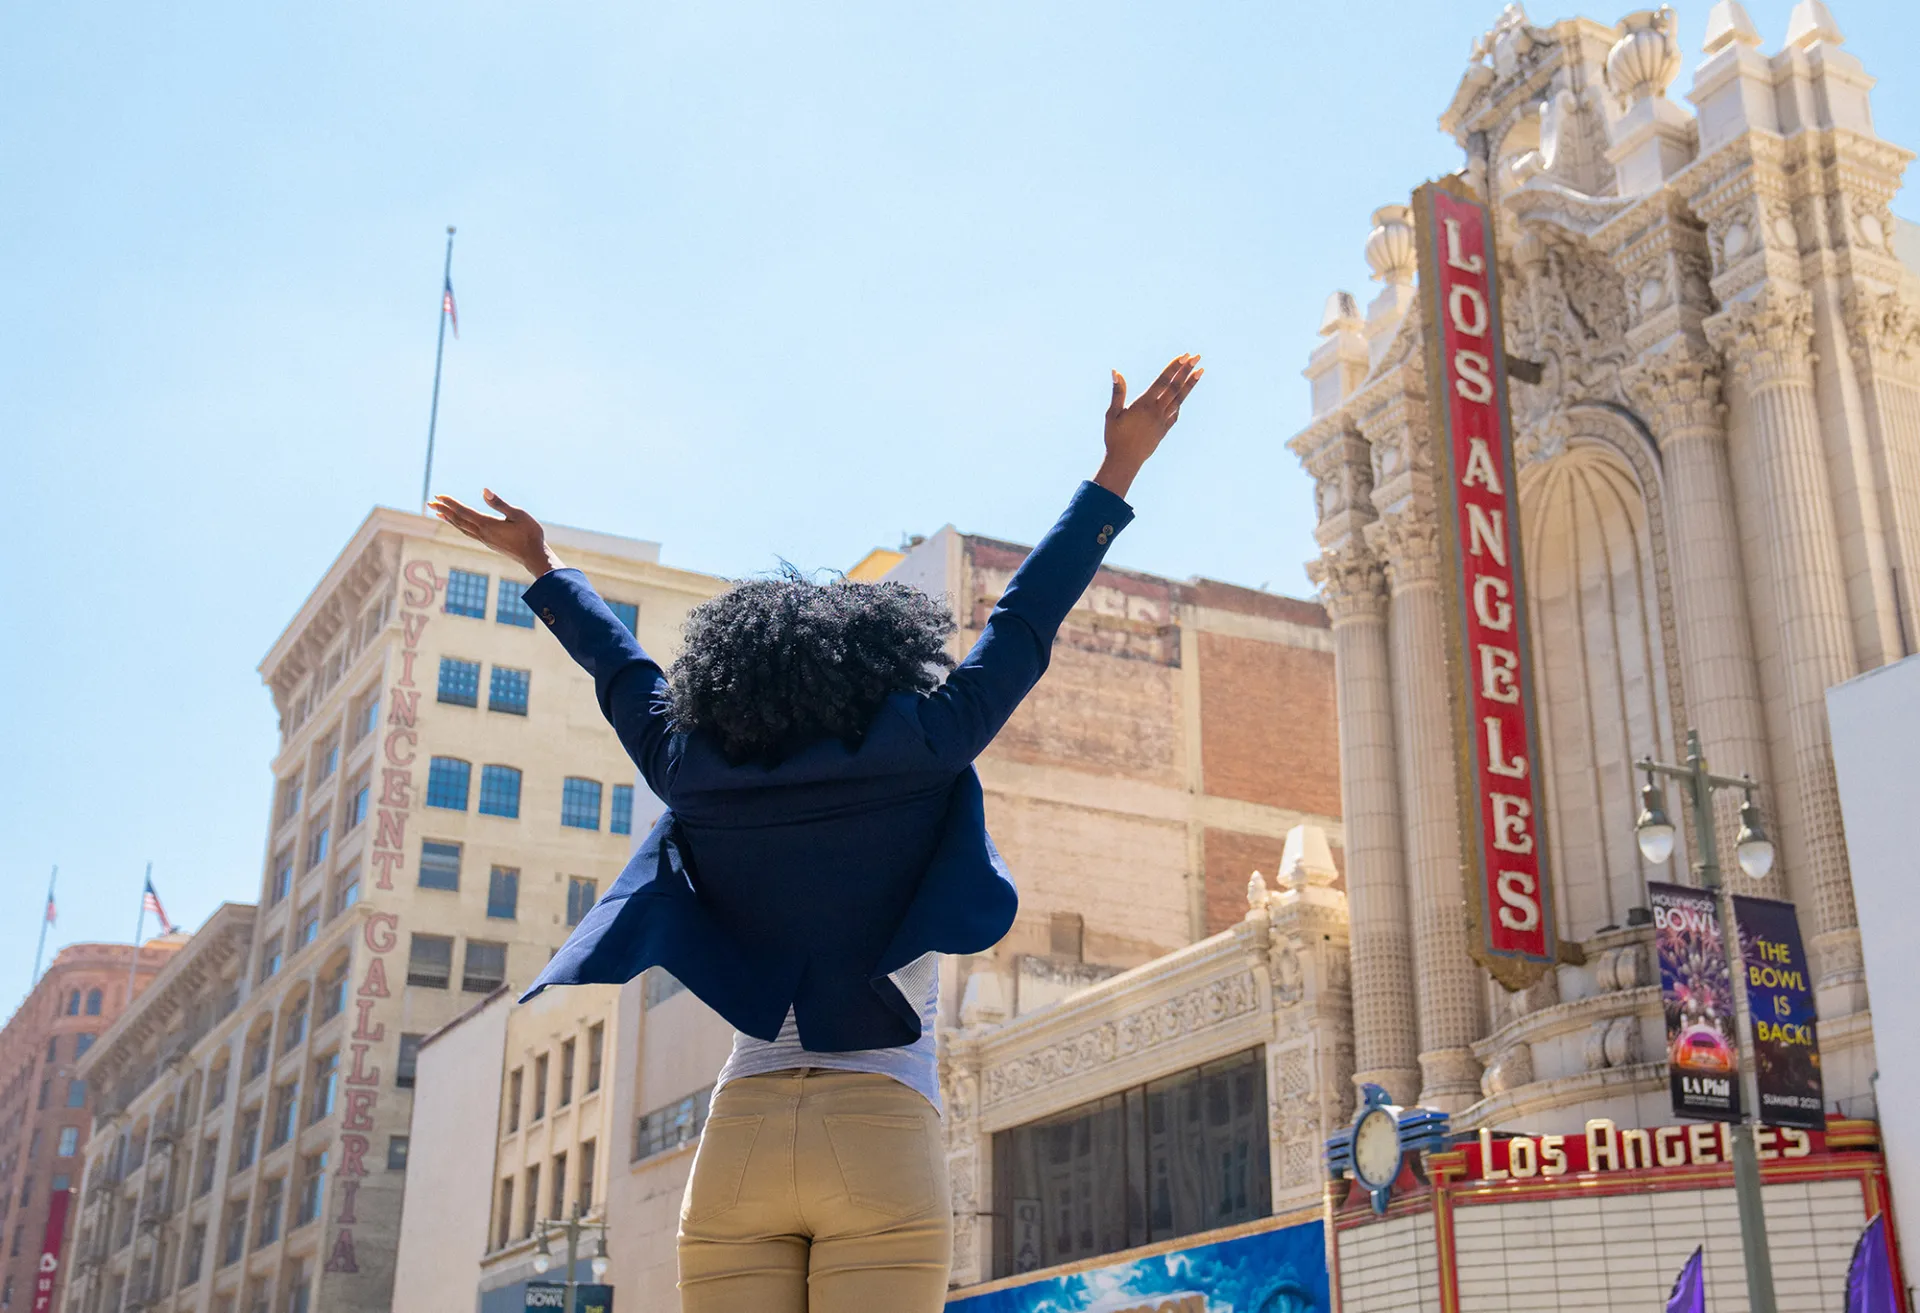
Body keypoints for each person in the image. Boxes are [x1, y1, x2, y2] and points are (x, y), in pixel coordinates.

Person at [429, 352, 1202, 1313]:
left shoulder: (695, 769)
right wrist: (1116, 470)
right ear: (881, 665)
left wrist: (544, 566)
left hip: (742, 1134)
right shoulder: (929, 740)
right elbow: (1025, 621)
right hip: (880, 1126)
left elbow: (622, 670)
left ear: (733, 681)